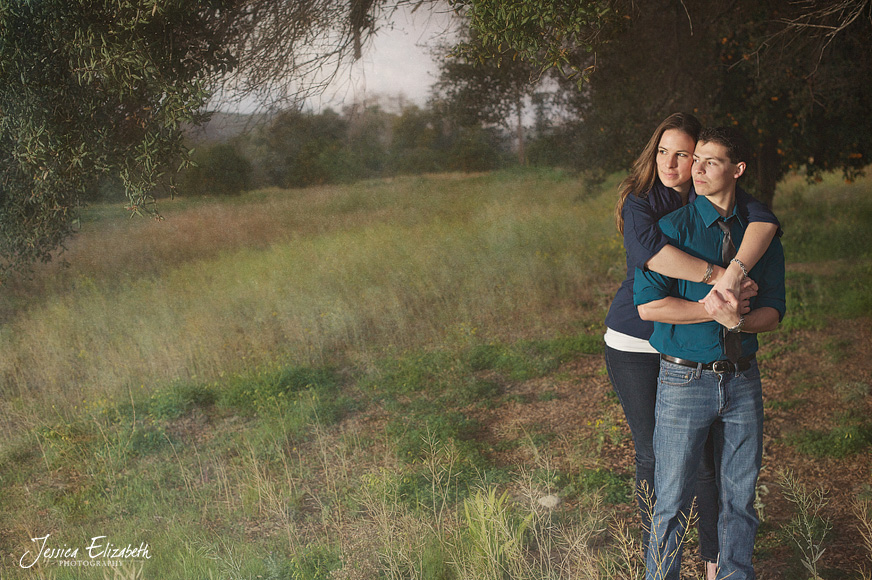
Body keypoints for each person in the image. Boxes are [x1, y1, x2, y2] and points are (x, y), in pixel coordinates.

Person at [603, 113, 780, 579]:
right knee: (661, 468)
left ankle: (716, 565)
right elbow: (652, 290)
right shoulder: (652, 211)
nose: (682, 165)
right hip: (646, 348)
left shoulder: (749, 220)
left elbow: (765, 231)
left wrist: (737, 307)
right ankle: (660, 569)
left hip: (732, 368)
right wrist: (722, 289)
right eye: (670, 153)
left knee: (726, 484)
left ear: (732, 168)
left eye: (693, 156)